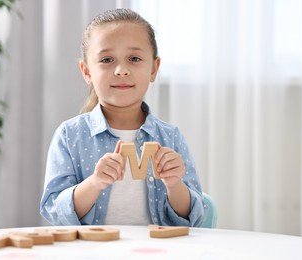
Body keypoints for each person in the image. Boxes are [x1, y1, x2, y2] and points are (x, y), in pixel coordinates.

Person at [40, 8, 207, 227]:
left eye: (135, 58)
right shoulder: (70, 136)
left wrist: (175, 184)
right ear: (86, 71)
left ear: (154, 69)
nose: (121, 70)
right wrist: (95, 183)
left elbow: (193, 216)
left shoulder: (171, 138)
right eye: (107, 59)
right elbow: (54, 209)